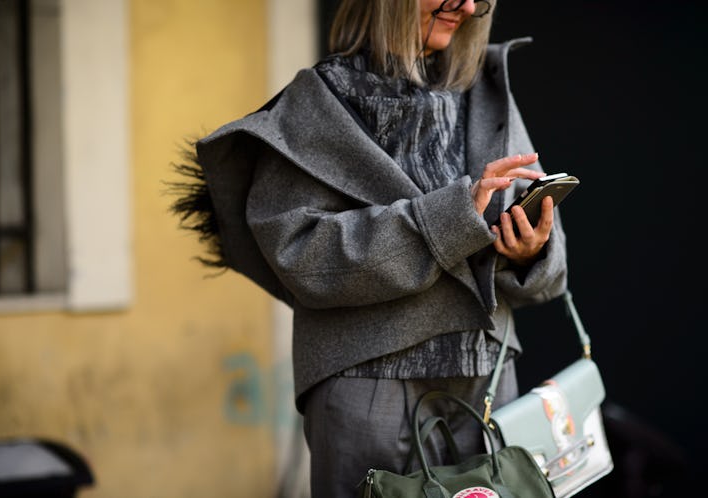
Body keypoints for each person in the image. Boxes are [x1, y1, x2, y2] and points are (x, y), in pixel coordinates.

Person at [171, 0, 568, 496]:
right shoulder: (318, 102)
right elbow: (305, 260)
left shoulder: (485, 89)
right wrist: (452, 217)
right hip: (368, 384)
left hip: (488, 383)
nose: (465, 7)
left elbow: (553, 271)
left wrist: (529, 252)